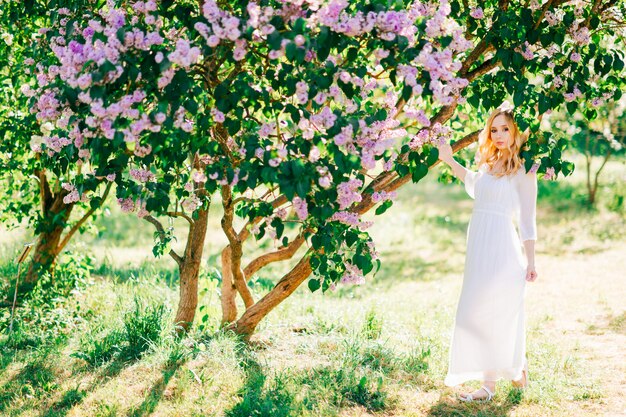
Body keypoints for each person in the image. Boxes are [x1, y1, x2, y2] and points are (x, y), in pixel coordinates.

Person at [436, 107, 538, 402]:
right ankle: (511, 371)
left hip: (503, 249)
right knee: (473, 312)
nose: (500, 135)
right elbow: (473, 186)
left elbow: (528, 221)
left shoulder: (523, 171)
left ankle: (492, 383)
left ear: (515, 131)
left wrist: (531, 261)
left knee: (496, 313)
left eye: (505, 129)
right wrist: (448, 160)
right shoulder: (486, 164)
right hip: (478, 247)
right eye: (494, 130)